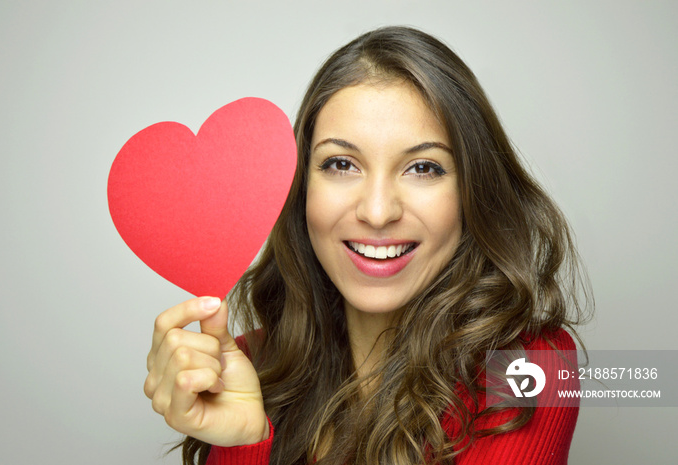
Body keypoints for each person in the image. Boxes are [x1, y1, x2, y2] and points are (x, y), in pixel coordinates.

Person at [144, 26, 590, 465]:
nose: (378, 212)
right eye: (341, 164)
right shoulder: (244, 367)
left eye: (423, 168)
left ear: (473, 191)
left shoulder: (532, 366)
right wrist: (245, 440)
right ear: (300, 191)